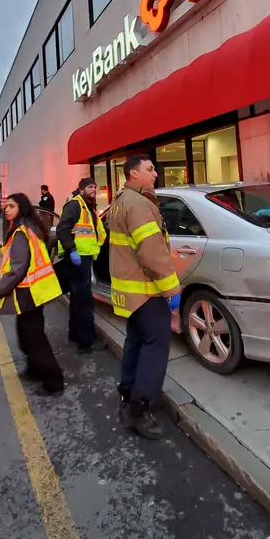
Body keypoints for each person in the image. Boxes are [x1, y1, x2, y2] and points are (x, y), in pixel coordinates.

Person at [108, 155, 181, 440]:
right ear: (132, 173)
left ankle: (127, 393)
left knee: (136, 341)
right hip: (147, 291)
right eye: (150, 169)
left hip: (132, 291)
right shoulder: (138, 205)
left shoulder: (122, 201)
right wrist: (172, 290)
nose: (155, 174)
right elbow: (152, 253)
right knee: (156, 346)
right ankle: (141, 408)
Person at [0, 193, 65, 397]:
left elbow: (18, 270)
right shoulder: (29, 227)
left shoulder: (22, 232)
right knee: (26, 334)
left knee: (34, 339)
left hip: (30, 292)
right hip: (34, 291)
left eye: (11, 206)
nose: (6, 209)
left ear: (21, 207)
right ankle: (34, 370)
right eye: (5, 206)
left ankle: (53, 382)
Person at [56, 177, 108, 354]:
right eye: (90, 187)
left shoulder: (89, 206)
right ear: (81, 189)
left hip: (84, 257)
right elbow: (62, 229)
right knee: (85, 301)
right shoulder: (75, 205)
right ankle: (86, 342)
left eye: (95, 186)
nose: (94, 189)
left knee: (78, 300)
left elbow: (95, 230)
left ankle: (75, 334)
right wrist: (71, 250)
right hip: (77, 259)